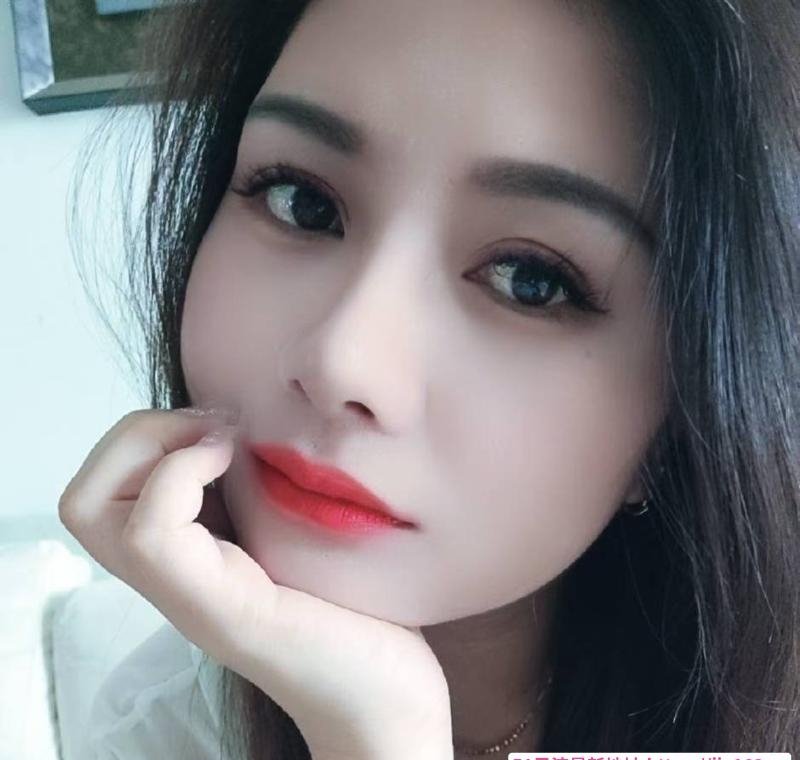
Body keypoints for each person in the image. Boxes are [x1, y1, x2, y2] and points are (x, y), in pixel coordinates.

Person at [60, 0, 800, 756]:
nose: (342, 361)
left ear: (690, 409)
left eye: (529, 282)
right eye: (303, 203)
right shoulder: (163, 729)